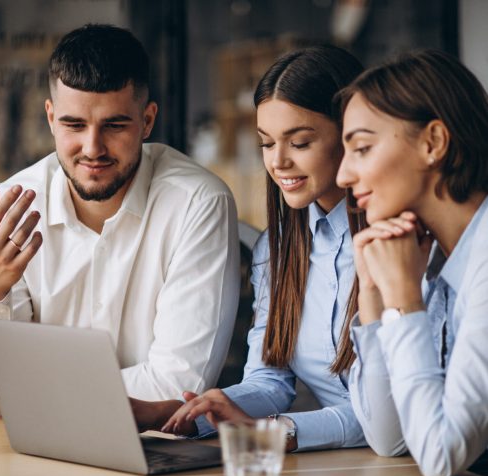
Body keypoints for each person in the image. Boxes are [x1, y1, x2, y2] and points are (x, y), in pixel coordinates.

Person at [0, 24, 240, 418]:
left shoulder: (197, 203)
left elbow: (178, 387)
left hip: (154, 453)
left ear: (148, 121)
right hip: (30, 452)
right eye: (74, 125)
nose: (92, 148)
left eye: (114, 125)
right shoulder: (1, 213)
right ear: (51, 118)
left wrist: (32, 390)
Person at [132, 45, 368, 453]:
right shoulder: (276, 251)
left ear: (351, 136)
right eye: (266, 143)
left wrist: (279, 431)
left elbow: (390, 418)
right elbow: (269, 381)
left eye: (300, 142)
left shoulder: (401, 244)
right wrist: (186, 416)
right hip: (351, 470)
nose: (278, 162)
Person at [336, 49, 488, 476]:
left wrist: (404, 300)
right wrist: (373, 294)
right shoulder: (431, 255)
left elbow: (440, 455)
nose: (343, 175)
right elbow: (390, 438)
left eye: (361, 148)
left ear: (433, 142)